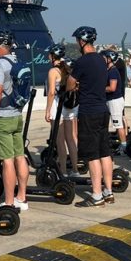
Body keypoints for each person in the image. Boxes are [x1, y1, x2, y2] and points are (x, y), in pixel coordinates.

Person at [67, 26, 114, 207]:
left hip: (89, 111)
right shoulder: (102, 60)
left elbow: (70, 83)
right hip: (103, 109)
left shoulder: (82, 61)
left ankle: (96, 195)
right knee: (105, 152)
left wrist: (75, 86)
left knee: (92, 154)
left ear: (82, 41)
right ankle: (108, 191)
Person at [0, 29, 29, 214]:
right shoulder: (17, 61)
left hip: (3, 117)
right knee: (20, 156)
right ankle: (22, 198)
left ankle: (9, 202)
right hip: (17, 115)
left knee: (7, 160)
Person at [44, 44, 79, 177]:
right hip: (69, 106)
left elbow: (51, 92)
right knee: (70, 139)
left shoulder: (53, 71)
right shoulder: (68, 67)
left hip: (57, 107)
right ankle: (75, 170)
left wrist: (47, 110)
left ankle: (63, 171)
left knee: (59, 141)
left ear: (53, 56)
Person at [101, 49, 127, 155]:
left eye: (104, 58)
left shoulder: (112, 71)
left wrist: (99, 88)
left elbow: (112, 88)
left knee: (118, 124)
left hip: (114, 101)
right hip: (110, 100)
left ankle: (123, 146)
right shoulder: (109, 70)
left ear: (109, 59)